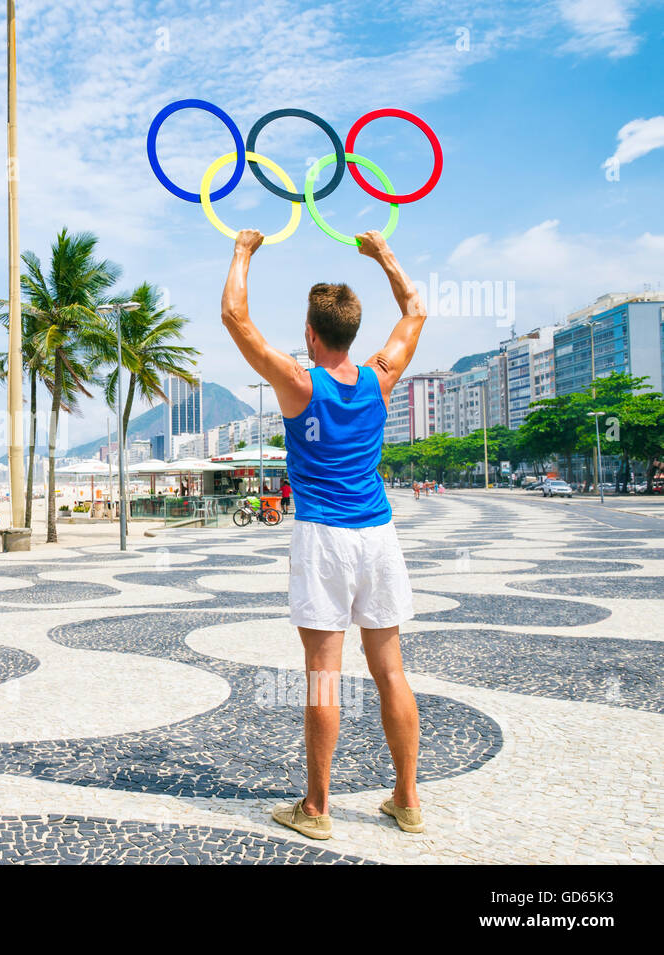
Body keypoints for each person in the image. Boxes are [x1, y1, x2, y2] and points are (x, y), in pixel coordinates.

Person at [220, 227, 423, 841]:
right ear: (353, 333)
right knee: (390, 671)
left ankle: (317, 808)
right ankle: (407, 800)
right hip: (378, 535)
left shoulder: (298, 383)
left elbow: (234, 315)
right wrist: (384, 253)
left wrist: (243, 251)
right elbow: (415, 309)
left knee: (323, 675)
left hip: (323, 539)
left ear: (311, 333)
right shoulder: (380, 376)